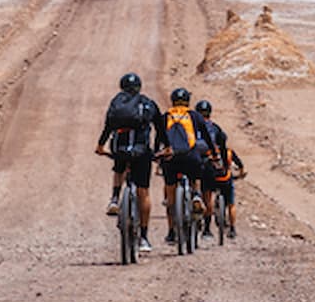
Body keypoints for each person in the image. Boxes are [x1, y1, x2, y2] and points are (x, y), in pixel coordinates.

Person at [95, 71, 160, 252]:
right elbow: (160, 128)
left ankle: (115, 198)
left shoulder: (116, 102)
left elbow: (108, 125)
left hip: (120, 149)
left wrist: (100, 146)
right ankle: (144, 238)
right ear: (139, 87)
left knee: (119, 167)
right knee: (144, 192)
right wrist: (164, 148)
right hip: (141, 151)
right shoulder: (147, 103)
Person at [158, 87, 214, 245]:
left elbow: (159, 140)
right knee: (195, 175)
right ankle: (196, 194)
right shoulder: (194, 115)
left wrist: (157, 155)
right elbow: (207, 136)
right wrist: (214, 153)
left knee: (170, 197)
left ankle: (171, 232)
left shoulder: (166, 116)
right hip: (190, 156)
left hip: (171, 157)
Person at [195, 99, 244, 240]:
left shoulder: (192, 126)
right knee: (226, 201)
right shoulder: (216, 129)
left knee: (206, 195)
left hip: (198, 164)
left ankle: (204, 226)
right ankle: (223, 230)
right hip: (218, 170)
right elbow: (225, 151)